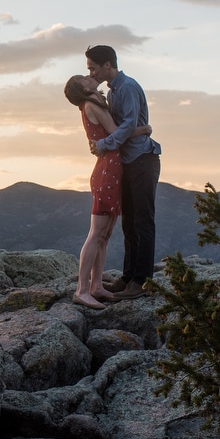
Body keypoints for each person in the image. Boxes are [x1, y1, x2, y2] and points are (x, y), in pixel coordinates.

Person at [64, 75, 152, 309]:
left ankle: (96, 286)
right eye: (85, 77)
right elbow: (116, 132)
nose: (90, 77)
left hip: (111, 168)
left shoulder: (92, 104)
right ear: (83, 88)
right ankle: (82, 290)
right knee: (97, 233)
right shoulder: (92, 104)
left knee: (105, 234)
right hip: (107, 170)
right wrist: (144, 129)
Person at [85, 45, 162, 301]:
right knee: (129, 222)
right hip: (129, 161)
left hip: (142, 159)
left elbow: (128, 124)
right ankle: (129, 276)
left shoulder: (127, 87)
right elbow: (124, 127)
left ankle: (142, 280)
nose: (92, 73)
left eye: (93, 68)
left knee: (142, 221)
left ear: (108, 65)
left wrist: (104, 145)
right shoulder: (112, 91)